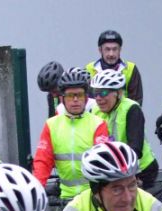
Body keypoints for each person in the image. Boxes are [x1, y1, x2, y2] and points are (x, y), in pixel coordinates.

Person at [33, 69, 109, 200]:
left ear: (86, 98)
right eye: (70, 96)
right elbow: (42, 161)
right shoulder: (51, 125)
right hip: (65, 196)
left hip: (92, 197)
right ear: (62, 98)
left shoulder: (98, 124)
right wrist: (35, 193)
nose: (75, 100)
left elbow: (102, 162)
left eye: (79, 95)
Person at [90, 69, 159, 190]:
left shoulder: (131, 108)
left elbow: (135, 148)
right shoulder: (95, 110)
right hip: (115, 171)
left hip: (140, 170)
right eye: (95, 93)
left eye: (104, 92)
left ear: (118, 93)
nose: (98, 98)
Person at [85, 29, 143, 106]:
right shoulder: (89, 69)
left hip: (123, 112)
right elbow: (86, 100)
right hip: (97, 112)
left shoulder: (130, 69)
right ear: (100, 50)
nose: (111, 54)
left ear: (120, 50)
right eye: (107, 49)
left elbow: (136, 101)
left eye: (115, 49)